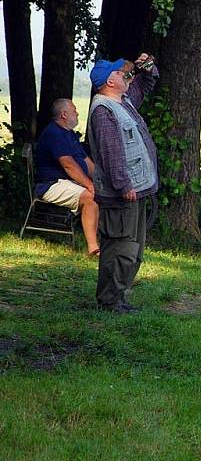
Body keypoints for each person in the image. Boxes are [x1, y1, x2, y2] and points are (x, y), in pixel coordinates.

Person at [88, 53, 159, 313]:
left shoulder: (123, 101)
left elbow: (146, 83)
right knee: (121, 247)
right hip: (123, 193)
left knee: (132, 247)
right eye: (120, 73)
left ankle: (118, 298)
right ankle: (109, 301)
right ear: (110, 80)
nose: (124, 75)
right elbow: (111, 152)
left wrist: (146, 66)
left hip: (135, 190)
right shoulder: (104, 111)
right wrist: (123, 185)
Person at [35, 98, 100, 256]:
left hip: (66, 182)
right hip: (51, 185)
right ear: (64, 114)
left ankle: (108, 239)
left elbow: (85, 160)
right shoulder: (54, 134)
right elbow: (68, 165)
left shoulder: (68, 134)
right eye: (74, 110)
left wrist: (101, 180)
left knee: (103, 192)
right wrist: (90, 185)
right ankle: (93, 248)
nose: (77, 113)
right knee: (90, 197)